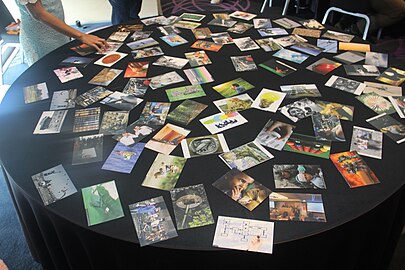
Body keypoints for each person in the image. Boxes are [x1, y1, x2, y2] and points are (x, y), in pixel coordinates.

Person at [16, 0, 107, 66]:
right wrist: (82, 36)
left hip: (59, 29)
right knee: (52, 68)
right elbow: (39, 14)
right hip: (41, 37)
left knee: (66, 63)